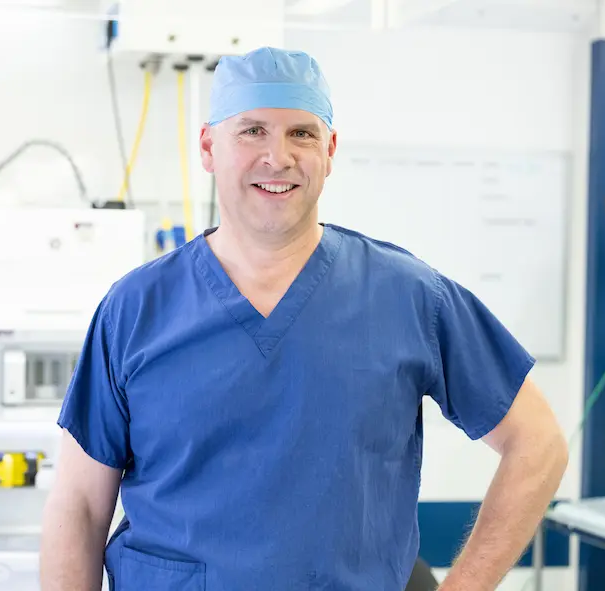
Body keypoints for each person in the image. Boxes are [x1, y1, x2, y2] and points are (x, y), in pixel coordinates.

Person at [40, 46, 569, 591]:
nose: (278, 157)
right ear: (208, 147)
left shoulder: (409, 296)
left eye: (302, 134)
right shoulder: (136, 309)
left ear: (330, 150)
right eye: (252, 131)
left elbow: (538, 441)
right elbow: (80, 504)